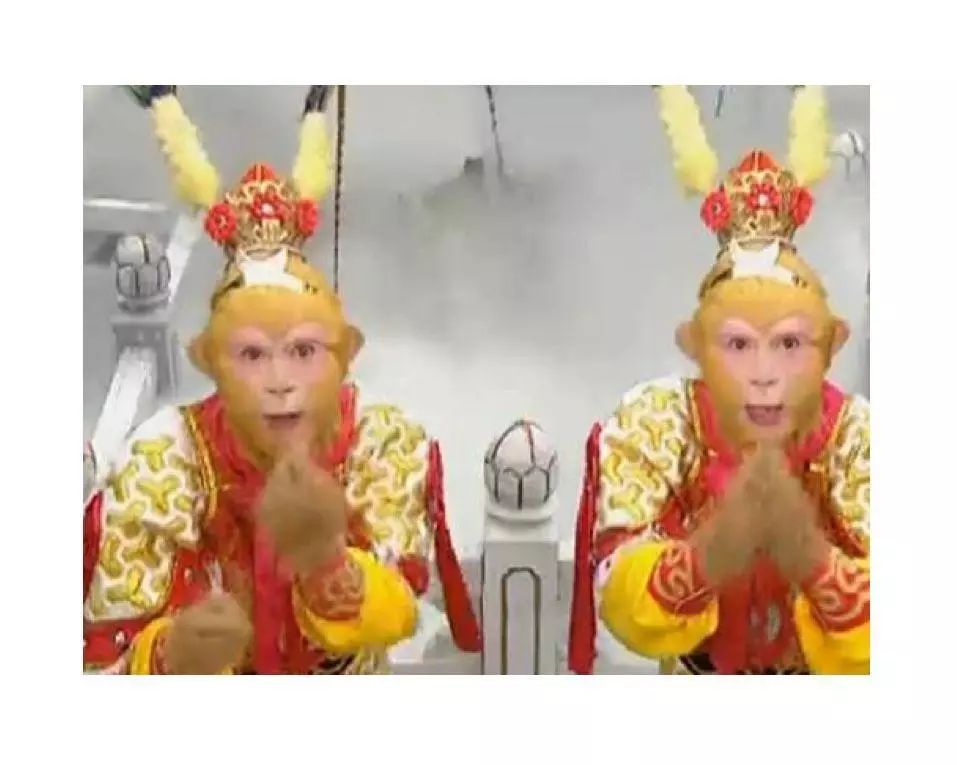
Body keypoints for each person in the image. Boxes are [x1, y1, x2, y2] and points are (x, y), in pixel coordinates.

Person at [83, 86, 481, 674]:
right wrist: (172, 656)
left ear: (344, 356)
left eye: (303, 351)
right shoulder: (164, 459)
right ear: (213, 363)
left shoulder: (381, 440)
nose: (280, 381)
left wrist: (327, 567)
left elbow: (400, 602)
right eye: (251, 354)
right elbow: (107, 648)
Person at [568, 86, 869, 675]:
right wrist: (712, 551)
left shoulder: (857, 437)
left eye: (789, 344)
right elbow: (619, 592)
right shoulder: (658, 421)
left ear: (832, 345)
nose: (764, 375)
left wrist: (809, 556)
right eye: (737, 345)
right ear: (696, 346)